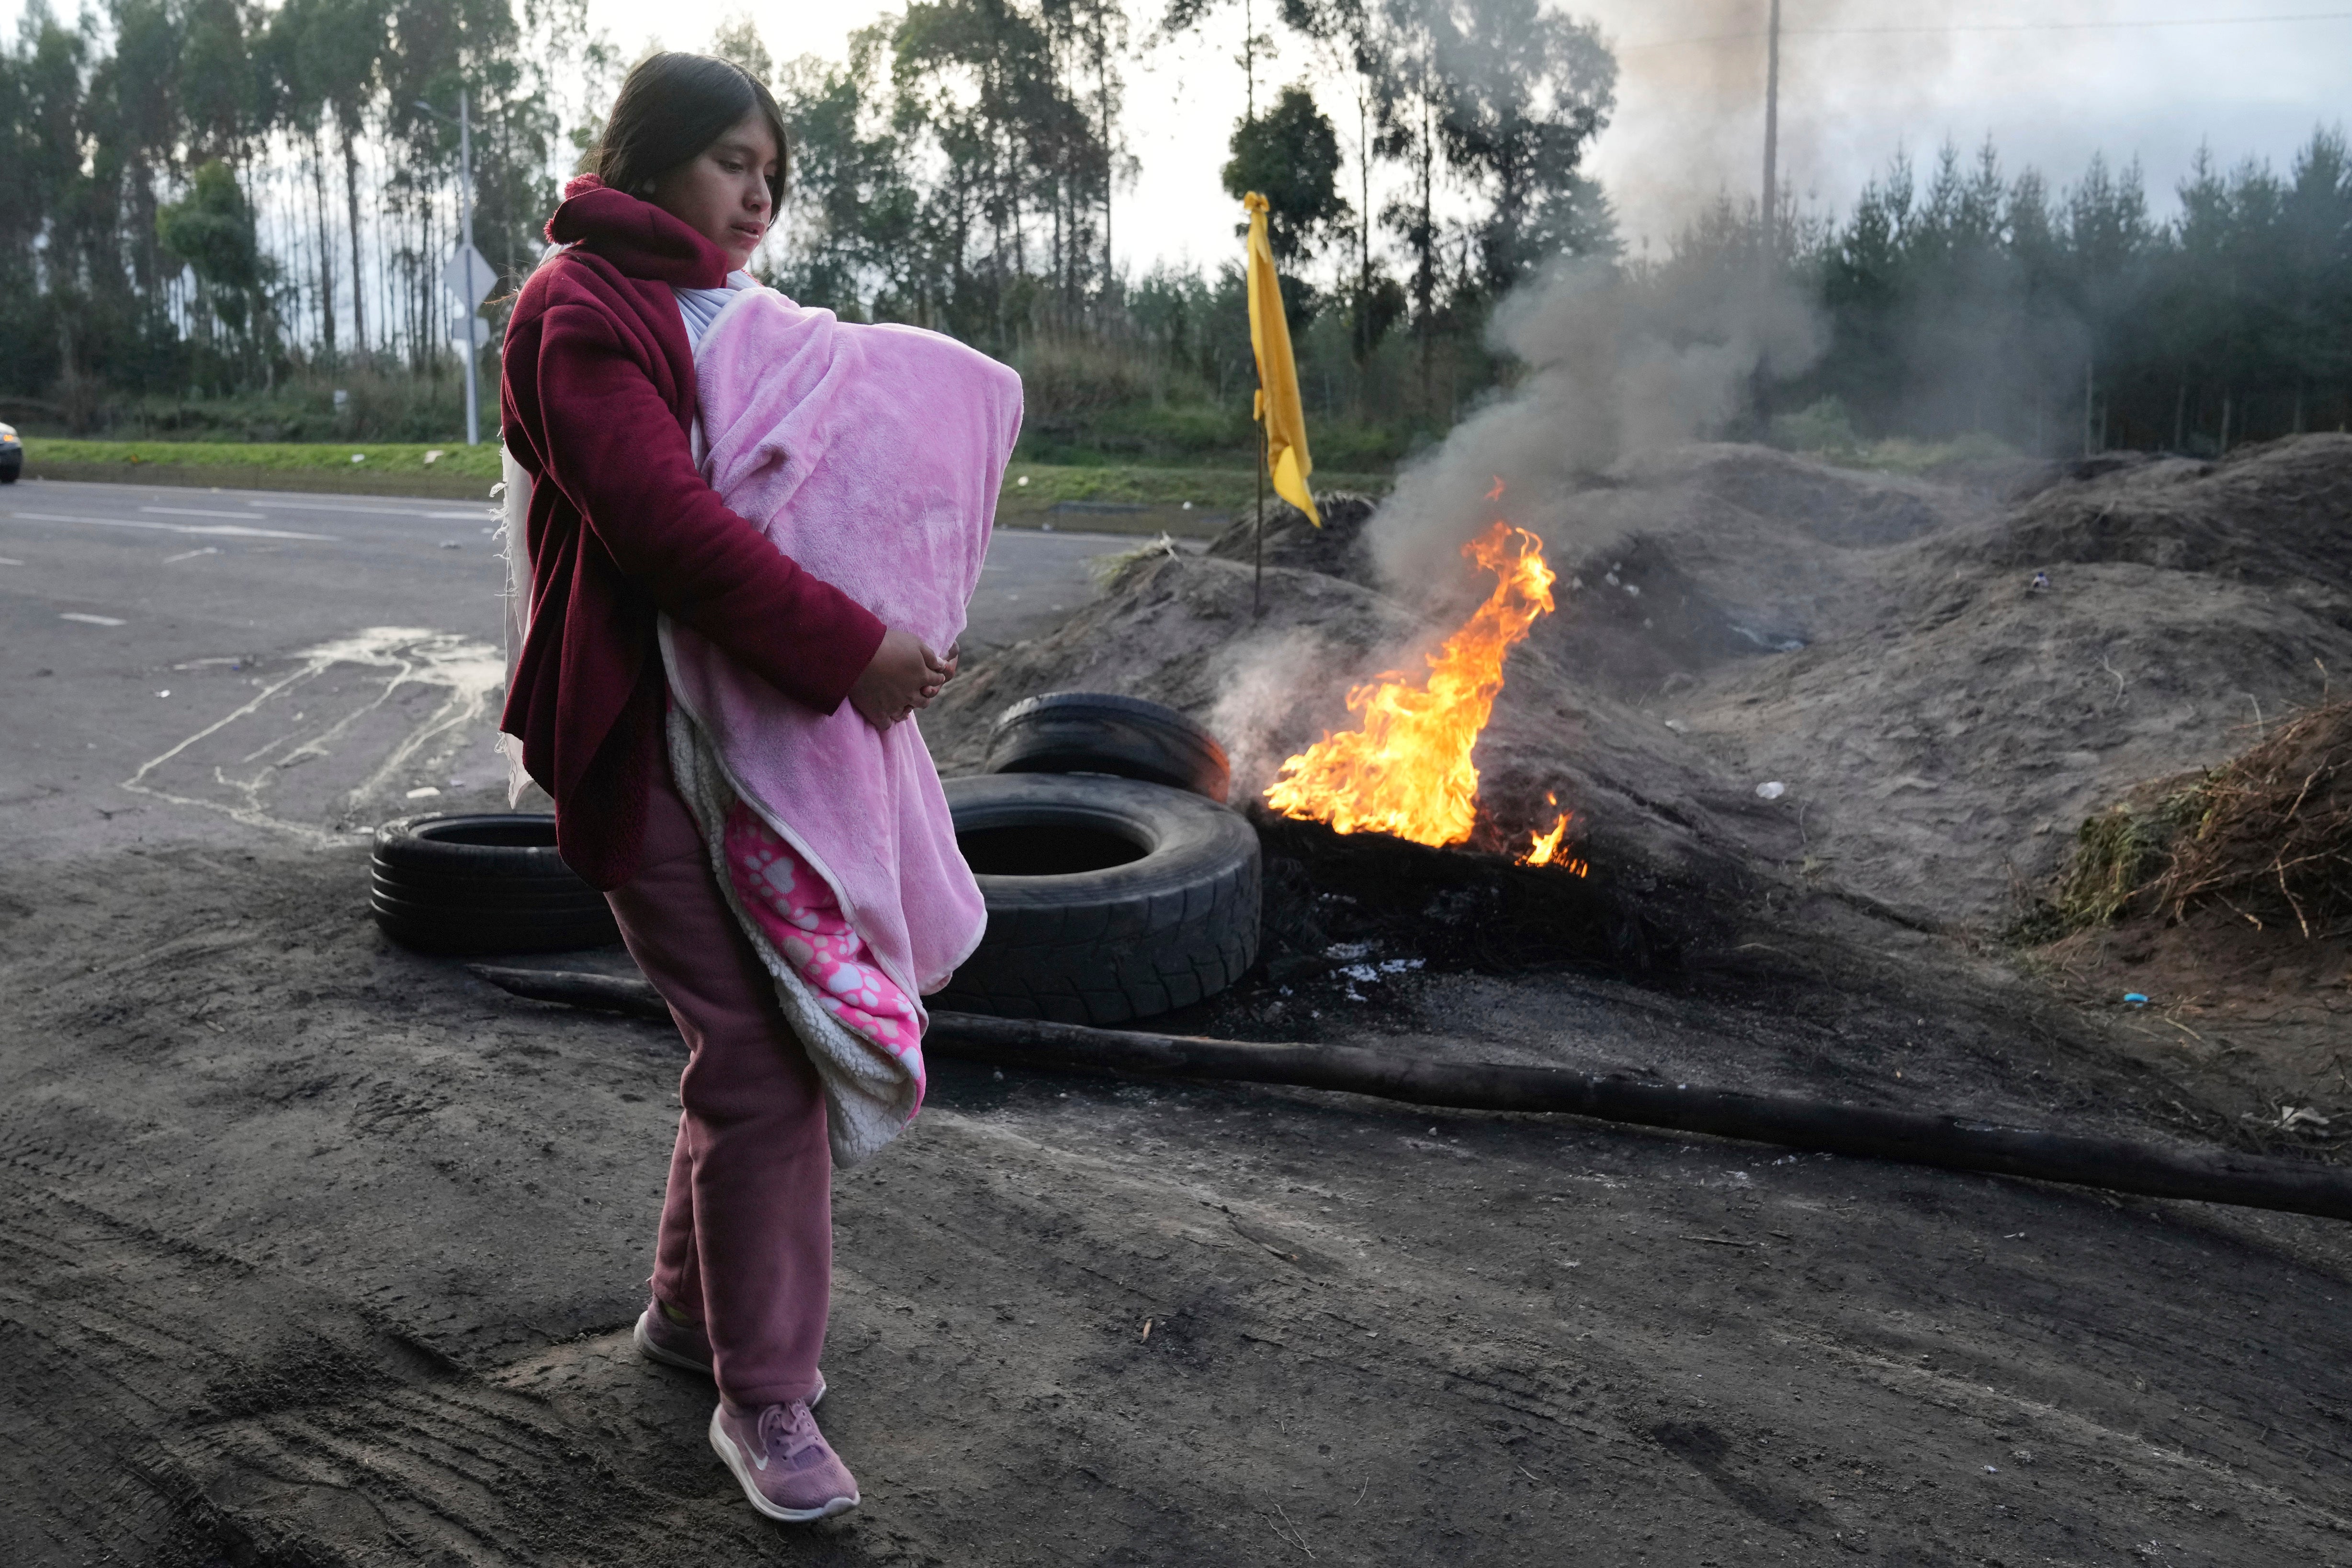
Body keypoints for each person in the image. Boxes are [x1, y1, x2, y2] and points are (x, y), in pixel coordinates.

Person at [498, 52, 954, 1523]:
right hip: (646, 739)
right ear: (652, 158)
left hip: (761, 737)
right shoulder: (578, 308)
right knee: (766, 1061)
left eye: (776, 172)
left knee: (740, 1052)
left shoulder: (733, 316)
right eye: (733, 161)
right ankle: (766, 1399)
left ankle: (692, 1322)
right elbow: (666, 529)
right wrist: (851, 648)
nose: (760, 192)